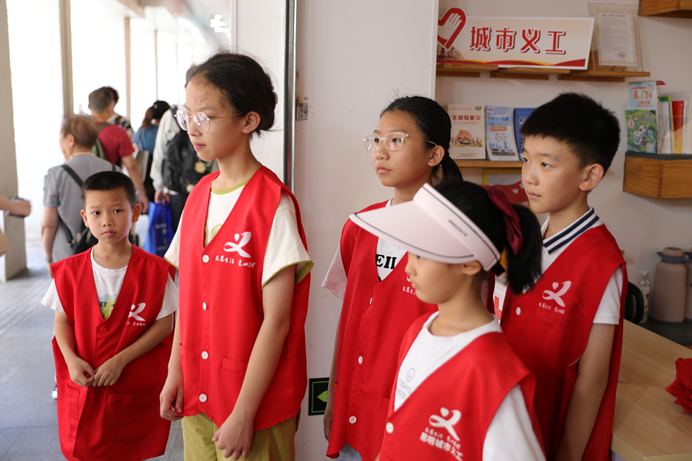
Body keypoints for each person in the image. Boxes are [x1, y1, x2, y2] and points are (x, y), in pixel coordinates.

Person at [159, 52, 312, 461]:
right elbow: (187, 298)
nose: (193, 128)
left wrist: (244, 412)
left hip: (255, 407)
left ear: (248, 121)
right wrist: (176, 371)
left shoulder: (273, 206)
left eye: (205, 117)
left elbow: (277, 321)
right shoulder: (198, 197)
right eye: (187, 115)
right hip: (199, 394)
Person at [349, 180, 545, 461]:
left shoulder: (494, 375)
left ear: (469, 263)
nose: (408, 267)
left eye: (421, 254)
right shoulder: (418, 330)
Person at [322, 96, 463, 461]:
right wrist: (334, 392)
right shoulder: (360, 225)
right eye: (376, 140)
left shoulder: (457, 238)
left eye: (396, 140)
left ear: (434, 154)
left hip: (415, 417)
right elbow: (348, 319)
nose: (380, 152)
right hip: (354, 411)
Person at [492, 92, 625, 461]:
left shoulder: (600, 262)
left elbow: (592, 382)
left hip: (547, 432)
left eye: (546, 164)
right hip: (507, 422)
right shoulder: (528, 238)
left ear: (590, 175)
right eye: (526, 159)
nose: (529, 176)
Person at [42, 171, 178, 461]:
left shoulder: (156, 271)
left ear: (135, 212)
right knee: (84, 447)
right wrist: (70, 359)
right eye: (97, 212)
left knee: (128, 449)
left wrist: (121, 360)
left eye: (117, 210)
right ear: (84, 217)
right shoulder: (68, 271)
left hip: (131, 383)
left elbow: (165, 324)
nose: (107, 221)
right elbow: (62, 320)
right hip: (84, 380)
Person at [42, 115, 120, 272]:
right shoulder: (114, 170)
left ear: (71, 139)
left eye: (61, 139)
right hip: (109, 255)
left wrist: (49, 258)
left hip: (67, 256)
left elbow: (49, 224)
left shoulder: (56, 174)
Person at [150, 65, 210, 233]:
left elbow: (160, 153)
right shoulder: (209, 116)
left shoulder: (170, 116)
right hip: (205, 186)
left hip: (175, 188)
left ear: (186, 86)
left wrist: (159, 186)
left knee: (180, 233)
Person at [89, 88, 149, 213]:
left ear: (89, 107)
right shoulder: (118, 132)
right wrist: (142, 194)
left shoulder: (81, 131)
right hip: (112, 188)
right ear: (109, 108)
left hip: (87, 189)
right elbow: (131, 166)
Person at [133, 100, 170, 203]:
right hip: (164, 178)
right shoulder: (167, 131)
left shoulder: (142, 129)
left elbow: (134, 146)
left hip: (144, 178)